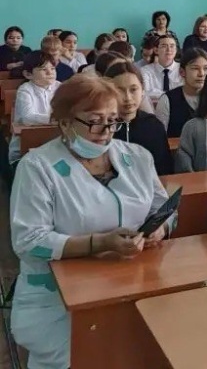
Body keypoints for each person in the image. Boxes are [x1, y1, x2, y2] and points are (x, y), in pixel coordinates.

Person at [10, 76, 171, 369]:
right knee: (81, 358)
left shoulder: (136, 156)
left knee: (144, 352)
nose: (106, 131)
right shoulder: (37, 168)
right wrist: (98, 243)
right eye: (95, 121)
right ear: (65, 123)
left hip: (130, 284)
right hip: (57, 300)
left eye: (113, 121)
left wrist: (159, 227)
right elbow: (28, 241)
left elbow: (164, 208)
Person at [106, 61, 173, 175]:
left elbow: (164, 170)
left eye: (133, 90)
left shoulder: (154, 126)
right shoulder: (101, 127)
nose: (127, 98)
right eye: (120, 90)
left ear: (142, 91)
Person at [9, 51, 59, 164]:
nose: (50, 72)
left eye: (52, 68)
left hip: (53, 146)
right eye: (43, 69)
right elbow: (27, 117)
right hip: (25, 148)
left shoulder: (60, 87)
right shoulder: (25, 89)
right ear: (28, 74)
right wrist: (54, 119)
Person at [155, 48, 207, 138]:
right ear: (182, 72)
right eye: (195, 68)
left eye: (206, 68)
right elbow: (159, 138)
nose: (201, 74)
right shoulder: (168, 100)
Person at [140, 34, 181, 104]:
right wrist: (173, 95)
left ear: (176, 50)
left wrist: (156, 94)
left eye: (172, 46)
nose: (169, 49)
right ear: (156, 50)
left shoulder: (183, 69)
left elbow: (184, 94)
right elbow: (146, 94)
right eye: (164, 46)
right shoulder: (145, 70)